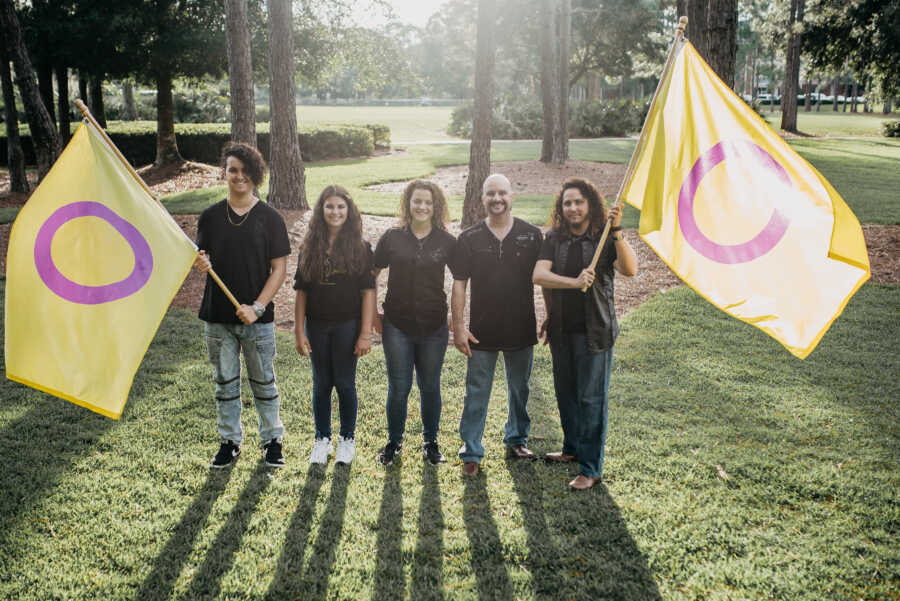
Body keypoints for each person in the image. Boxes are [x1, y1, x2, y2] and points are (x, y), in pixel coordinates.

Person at [532, 177, 638, 490]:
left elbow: (630, 270)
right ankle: (572, 449)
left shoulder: (605, 237)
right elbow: (539, 275)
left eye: (579, 201)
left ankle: (590, 468)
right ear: (561, 208)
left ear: (590, 203)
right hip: (562, 329)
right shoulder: (555, 238)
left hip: (596, 331)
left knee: (591, 398)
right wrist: (573, 284)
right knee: (566, 393)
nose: (573, 208)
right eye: (567, 203)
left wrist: (617, 231)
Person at [194, 142, 291, 469]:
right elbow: (200, 258)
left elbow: (279, 269)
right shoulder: (209, 217)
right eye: (232, 169)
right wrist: (199, 264)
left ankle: (272, 441)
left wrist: (258, 307)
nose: (238, 176)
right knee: (225, 383)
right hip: (218, 318)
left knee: (264, 382)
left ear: (256, 175)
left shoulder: (270, 218)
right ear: (225, 172)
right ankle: (229, 441)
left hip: (257, 320)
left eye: (245, 171)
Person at [450, 173, 543, 476]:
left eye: (502, 193)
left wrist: (551, 315)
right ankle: (472, 449)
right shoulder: (469, 238)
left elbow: (544, 280)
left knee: (521, 388)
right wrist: (459, 327)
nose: (497, 199)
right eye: (491, 194)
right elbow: (460, 284)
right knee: (476, 389)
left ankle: (516, 438)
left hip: (521, 326)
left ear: (512, 197)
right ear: (483, 199)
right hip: (482, 330)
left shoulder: (531, 235)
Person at [372, 180, 456, 466]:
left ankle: (430, 442)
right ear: (408, 203)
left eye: (428, 202)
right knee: (399, 387)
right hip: (397, 325)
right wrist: (372, 314)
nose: (422, 206)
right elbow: (371, 276)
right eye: (417, 201)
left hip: (434, 327)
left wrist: (458, 320)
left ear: (436, 207)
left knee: (430, 386)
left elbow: (462, 280)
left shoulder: (446, 241)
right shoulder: (392, 237)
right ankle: (394, 442)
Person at [293, 185, 376, 466]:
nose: (335, 212)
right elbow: (301, 291)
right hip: (316, 325)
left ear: (349, 211)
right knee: (321, 384)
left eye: (341, 207)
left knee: (344, 382)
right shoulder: (310, 247)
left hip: (347, 326)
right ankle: (322, 440)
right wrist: (298, 331)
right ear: (321, 210)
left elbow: (368, 293)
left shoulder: (361, 248)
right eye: (329, 206)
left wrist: (365, 334)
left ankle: (347, 441)